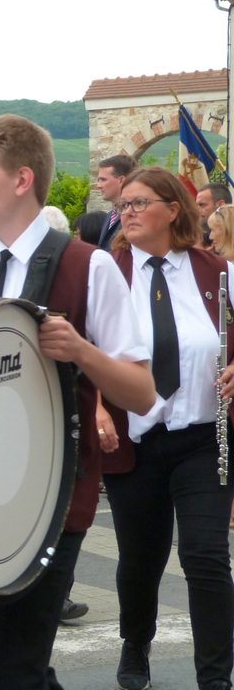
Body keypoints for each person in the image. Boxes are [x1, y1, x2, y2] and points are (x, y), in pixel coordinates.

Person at [0, 114, 154, 690]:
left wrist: (82, 351)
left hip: (53, 495)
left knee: (16, 665)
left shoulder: (91, 265)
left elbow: (140, 390)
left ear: (21, 180)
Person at [97, 166, 234, 690]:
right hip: (135, 441)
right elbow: (87, 354)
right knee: (139, 559)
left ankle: (215, 677)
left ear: (172, 210)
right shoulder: (108, 273)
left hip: (202, 439)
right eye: (123, 205)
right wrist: (98, 411)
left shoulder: (215, 270)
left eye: (138, 203)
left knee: (205, 556)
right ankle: (136, 646)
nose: (126, 213)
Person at [96, 155, 137, 250]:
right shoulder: (111, 215)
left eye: (103, 180)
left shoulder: (135, 216)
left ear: (121, 180)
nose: (98, 185)